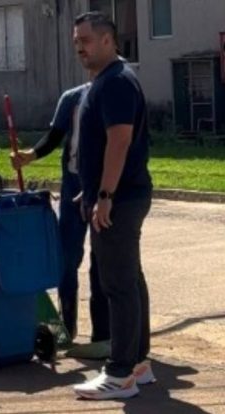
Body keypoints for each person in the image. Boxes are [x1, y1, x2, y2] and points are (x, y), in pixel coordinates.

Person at [70, 12, 155, 400]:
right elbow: (102, 148)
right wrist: (90, 190)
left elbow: (119, 141)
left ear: (108, 40)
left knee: (117, 284)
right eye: (76, 41)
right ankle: (138, 363)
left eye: (86, 40)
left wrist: (104, 195)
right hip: (115, 195)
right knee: (130, 279)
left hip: (119, 199)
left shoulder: (116, 82)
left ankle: (121, 373)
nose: (80, 47)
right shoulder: (107, 80)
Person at [11, 81, 111, 358]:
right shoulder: (72, 97)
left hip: (103, 184)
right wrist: (29, 156)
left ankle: (103, 335)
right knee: (66, 257)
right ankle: (66, 327)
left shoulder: (114, 92)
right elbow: (54, 137)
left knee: (101, 262)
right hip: (72, 183)